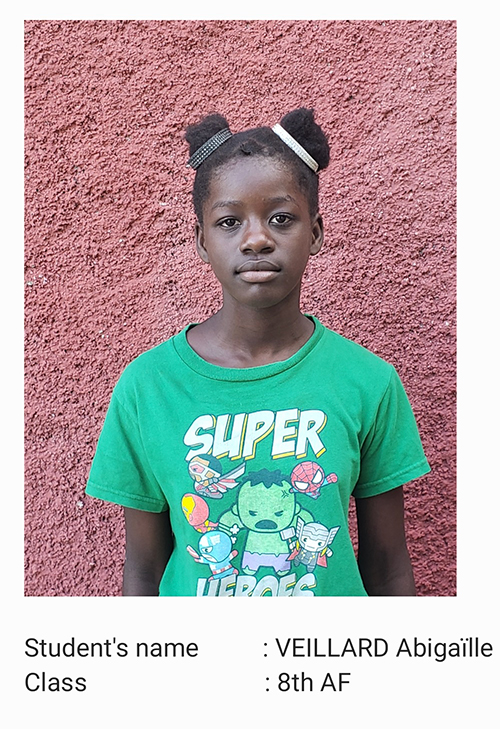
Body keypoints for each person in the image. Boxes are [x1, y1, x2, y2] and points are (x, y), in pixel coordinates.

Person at [86, 108, 430, 597]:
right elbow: (143, 568)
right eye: (229, 221)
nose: (256, 238)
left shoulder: (367, 382)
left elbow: (389, 564)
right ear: (202, 241)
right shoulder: (148, 387)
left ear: (314, 233)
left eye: (281, 218)